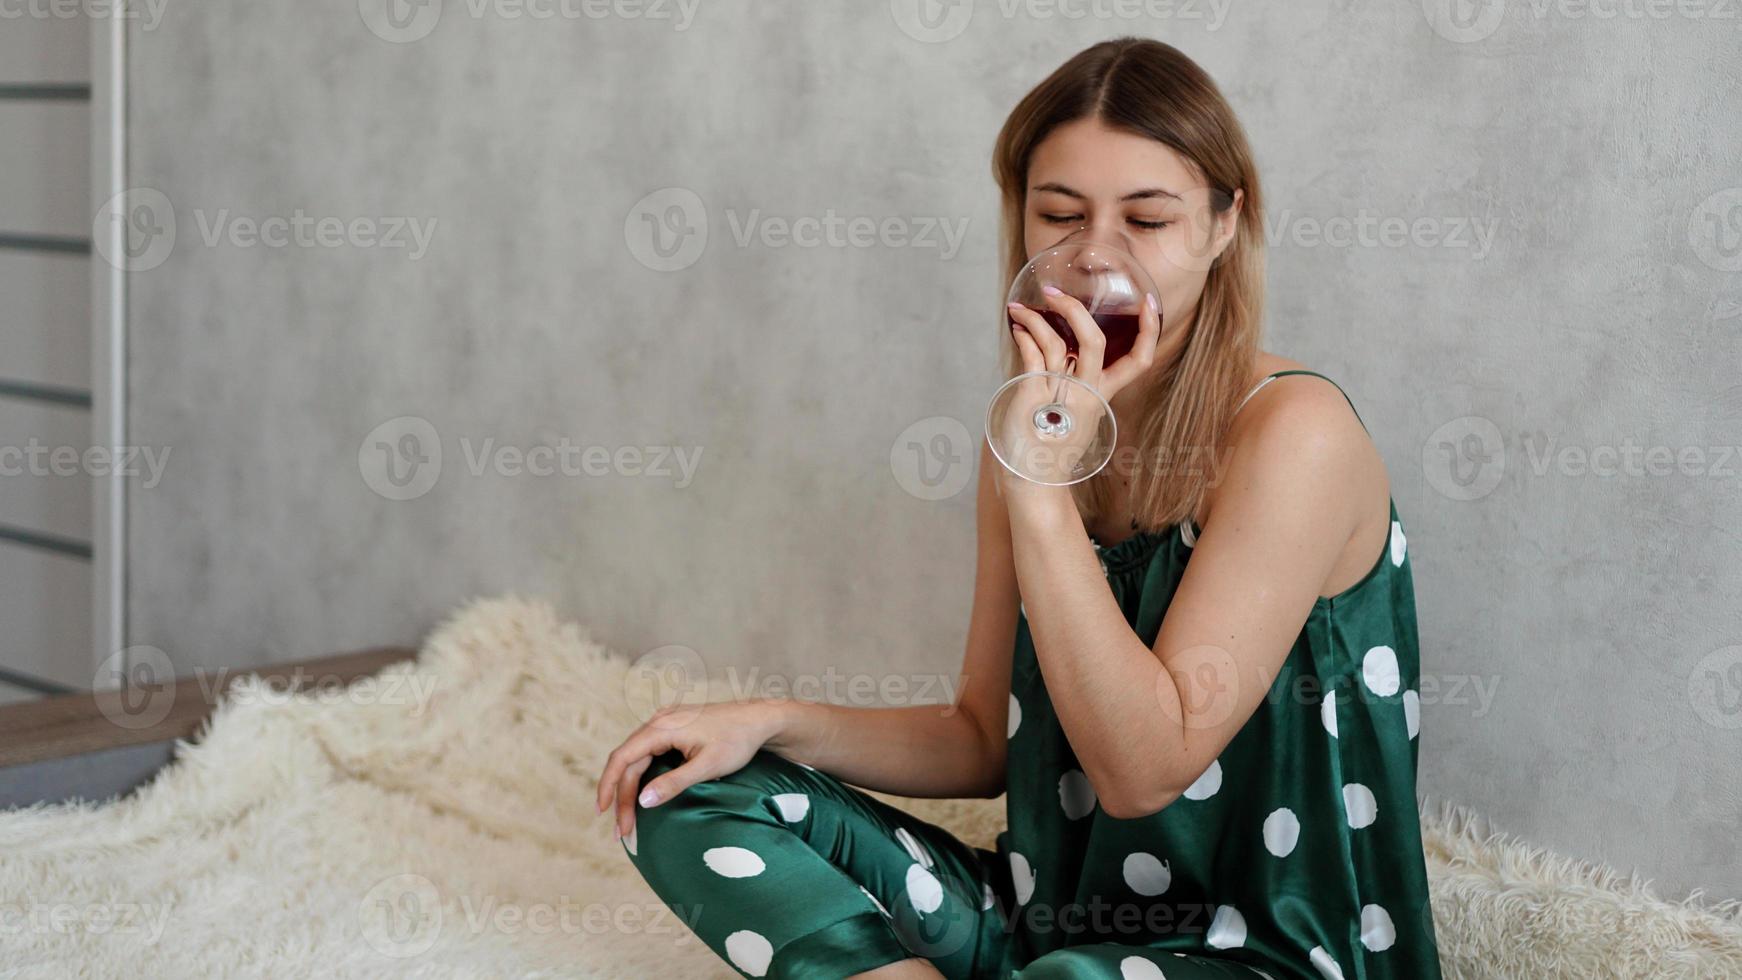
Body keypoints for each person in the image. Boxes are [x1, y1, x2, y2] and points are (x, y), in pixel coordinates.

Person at [596, 36, 1442, 980]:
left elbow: (1143, 768)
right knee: (686, 791)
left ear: (1222, 225)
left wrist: (1037, 490)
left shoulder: (1294, 433)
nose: (1096, 262)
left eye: (1148, 220)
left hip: (1277, 956)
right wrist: (769, 721)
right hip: (1056, 930)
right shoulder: (1029, 433)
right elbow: (976, 735)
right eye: (1060, 215)